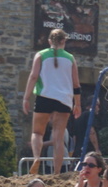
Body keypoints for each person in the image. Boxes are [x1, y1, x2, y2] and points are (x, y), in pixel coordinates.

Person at [23, 29, 80, 175]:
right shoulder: (70, 58)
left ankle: (37, 157)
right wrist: (77, 104)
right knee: (58, 138)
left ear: (49, 41)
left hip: (45, 96)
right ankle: (57, 172)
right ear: (64, 41)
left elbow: (33, 76)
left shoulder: (41, 55)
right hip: (64, 100)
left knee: (37, 132)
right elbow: (76, 84)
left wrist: (26, 97)